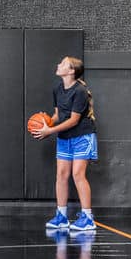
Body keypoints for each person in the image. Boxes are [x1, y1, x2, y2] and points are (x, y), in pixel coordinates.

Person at [31, 56, 97, 231]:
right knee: (61, 175)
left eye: (63, 64)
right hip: (64, 137)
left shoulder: (80, 91)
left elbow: (74, 120)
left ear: (71, 71)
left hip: (82, 136)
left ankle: (88, 218)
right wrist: (46, 124)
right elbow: (58, 116)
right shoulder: (57, 89)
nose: (58, 65)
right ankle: (61, 216)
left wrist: (50, 131)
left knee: (78, 174)